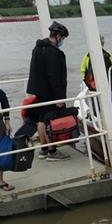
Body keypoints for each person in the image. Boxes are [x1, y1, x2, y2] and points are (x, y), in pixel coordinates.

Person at [26, 21, 71, 161]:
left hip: (39, 90)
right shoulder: (52, 52)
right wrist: (59, 98)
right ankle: (52, 151)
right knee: (50, 121)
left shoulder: (39, 48)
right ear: (57, 36)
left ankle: (44, 149)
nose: (62, 41)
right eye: (62, 38)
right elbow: (54, 76)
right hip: (50, 92)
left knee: (41, 120)